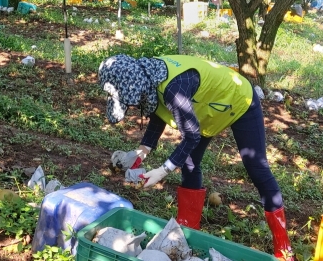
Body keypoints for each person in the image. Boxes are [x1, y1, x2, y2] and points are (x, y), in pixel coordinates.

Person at [99, 54, 294, 261]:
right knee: (190, 163)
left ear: (138, 85)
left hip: (237, 100)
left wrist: (161, 171)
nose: (132, 106)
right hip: (206, 109)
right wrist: (141, 152)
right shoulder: (151, 74)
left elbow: (190, 135)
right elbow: (160, 112)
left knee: (257, 168)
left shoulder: (175, 88)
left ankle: (284, 250)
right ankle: (188, 230)